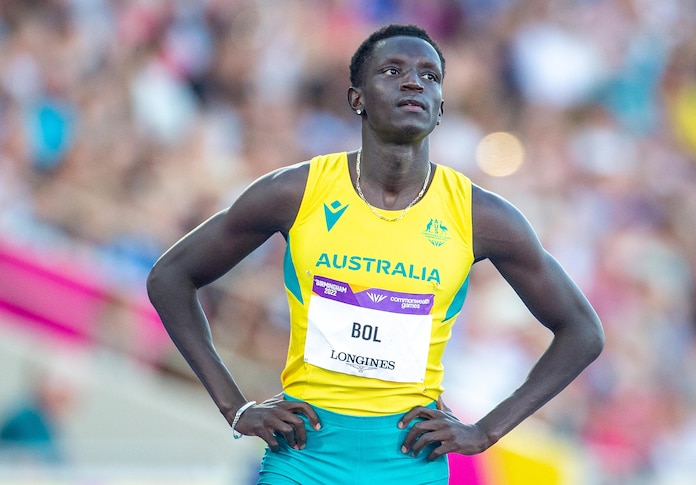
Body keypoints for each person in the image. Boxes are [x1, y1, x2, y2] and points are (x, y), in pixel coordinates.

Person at [147, 23, 604, 485]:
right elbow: (170, 277)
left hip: (408, 462)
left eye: (429, 76)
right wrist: (235, 406)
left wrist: (485, 432)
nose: (413, 82)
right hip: (305, 457)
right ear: (357, 99)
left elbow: (582, 331)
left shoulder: (480, 216)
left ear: (441, 108)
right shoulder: (297, 192)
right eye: (392, 71)